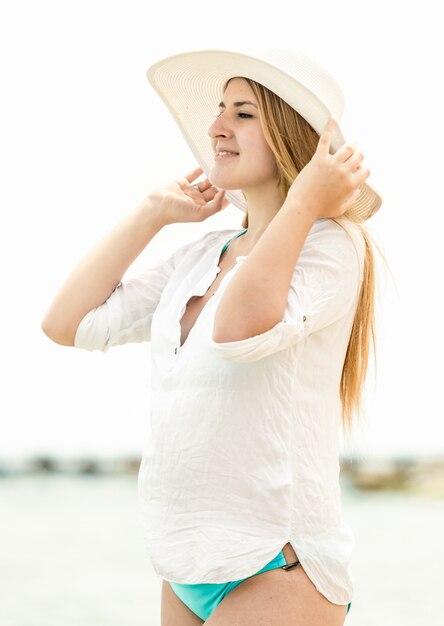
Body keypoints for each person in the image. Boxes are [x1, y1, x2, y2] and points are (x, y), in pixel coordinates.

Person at [42, 46, 383, 626]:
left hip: (277, 561)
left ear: (287, 133)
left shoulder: (330, 247)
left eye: (243, 112)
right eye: (221, 109)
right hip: (187, 563)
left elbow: (237, 331)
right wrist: (152, 213)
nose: (217, 127)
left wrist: (302, 200)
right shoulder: (206, 253)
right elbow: (70, 324)